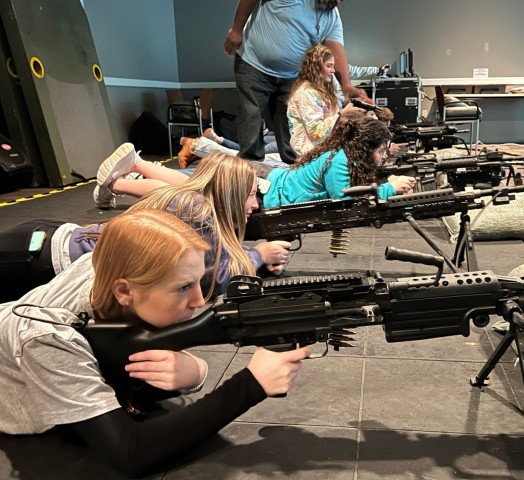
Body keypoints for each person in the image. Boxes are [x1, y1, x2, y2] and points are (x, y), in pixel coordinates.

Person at [0, 209, 309, 477]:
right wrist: (251, 385)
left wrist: (193, 372)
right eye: (183, 287)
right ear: (124, 291)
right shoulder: (48, 338)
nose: (199, 301)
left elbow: (132, 342)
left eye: (199, 281)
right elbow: (131, 452)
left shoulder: (115, 268)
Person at [0, 148, 291, 302]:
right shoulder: (197, 212)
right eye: (251, 195)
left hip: (47, 245)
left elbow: (216, 252)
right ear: (230, 194)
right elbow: (212, 280)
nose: (255, 205)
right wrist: (259, 255)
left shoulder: (196, 205)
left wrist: (252, 253)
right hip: (41, 258)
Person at [224, 0, 365, 164]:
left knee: (292, 130)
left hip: (291, 75)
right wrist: (237, 29)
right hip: (254, 63)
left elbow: (336, 49)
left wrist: (346, 85)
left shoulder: (331, 15)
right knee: (252, 121)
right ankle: (250, 173)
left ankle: (295, 171)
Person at [246, 114, 416, 208]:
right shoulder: (339, 160)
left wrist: (388, 184)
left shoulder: (348, 157)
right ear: (365, 148)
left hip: (272, 180)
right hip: (267, 188)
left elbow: (358, 191)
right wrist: (389, 188)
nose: (384, 156)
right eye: (381, 151)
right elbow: (346, 203)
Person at [287, 44, 364, 157]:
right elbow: (316, 133)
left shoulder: (320, 90)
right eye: (329, 66)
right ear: (316, 67)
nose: (333, 70)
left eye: (333, 66)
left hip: (323, 151)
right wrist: (343, 114)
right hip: (312, 155)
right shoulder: (305, 94)